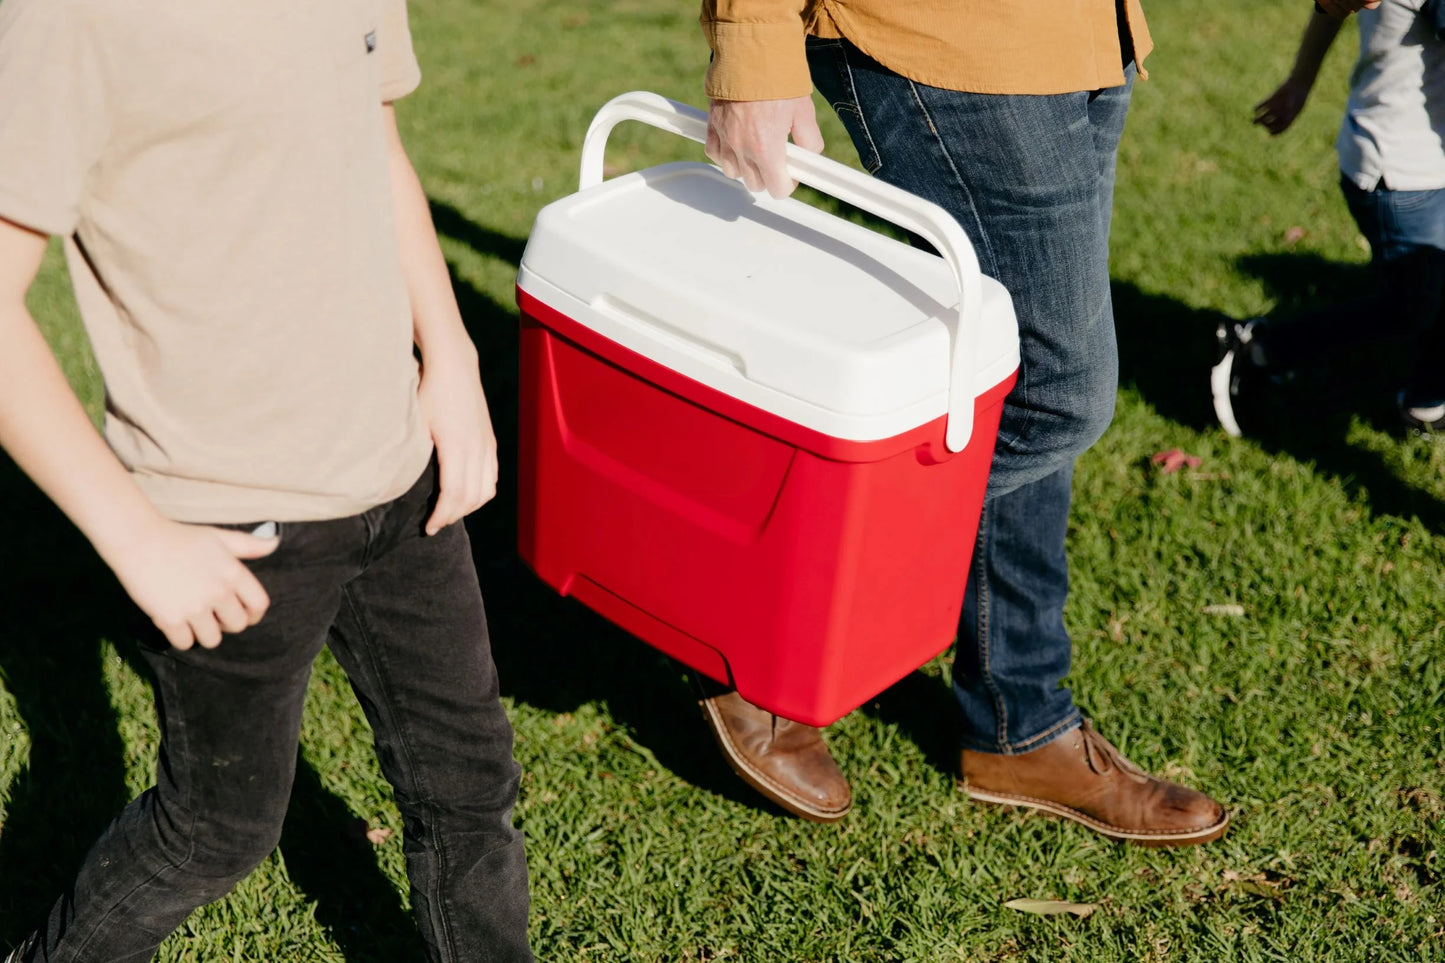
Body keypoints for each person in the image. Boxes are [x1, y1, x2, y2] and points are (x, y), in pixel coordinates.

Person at [0, 0, 533, 960]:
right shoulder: (68, 16)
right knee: (216, 829)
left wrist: (449, 359)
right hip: (231, 521)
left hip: (400, 470)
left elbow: (378, 145)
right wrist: (133, 535)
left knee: (469, 786)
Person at [687, 0, 1250, 844]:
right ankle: (753, 622)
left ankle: (1017, 720)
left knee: (1001, 374)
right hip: (937, 38)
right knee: (1053, 394)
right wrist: (752, 42)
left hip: (1081, 31)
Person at [1213, 0, 1445, 437]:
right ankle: (1261, 349)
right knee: (1416, 304)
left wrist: (1301, 80)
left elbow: (1332, 6)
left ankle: (1427, 402)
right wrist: (1300, 80)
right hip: (1405, 169)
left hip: (1411, 153)